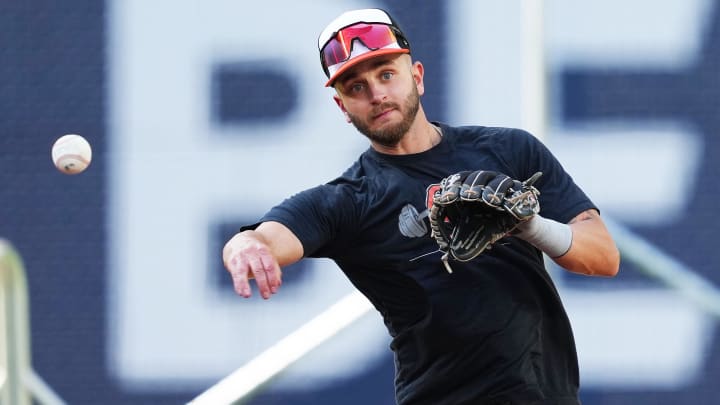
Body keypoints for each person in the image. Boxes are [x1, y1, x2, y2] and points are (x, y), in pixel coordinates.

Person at [222, 8, 620, 405]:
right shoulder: (350, 201)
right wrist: (247, 244)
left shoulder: (508, 150)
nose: (376, 94)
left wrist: (531, 227)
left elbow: (603, 256)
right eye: (356, 87)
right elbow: (269, 235)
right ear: (343, 108)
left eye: (386, 74)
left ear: (417, 77)